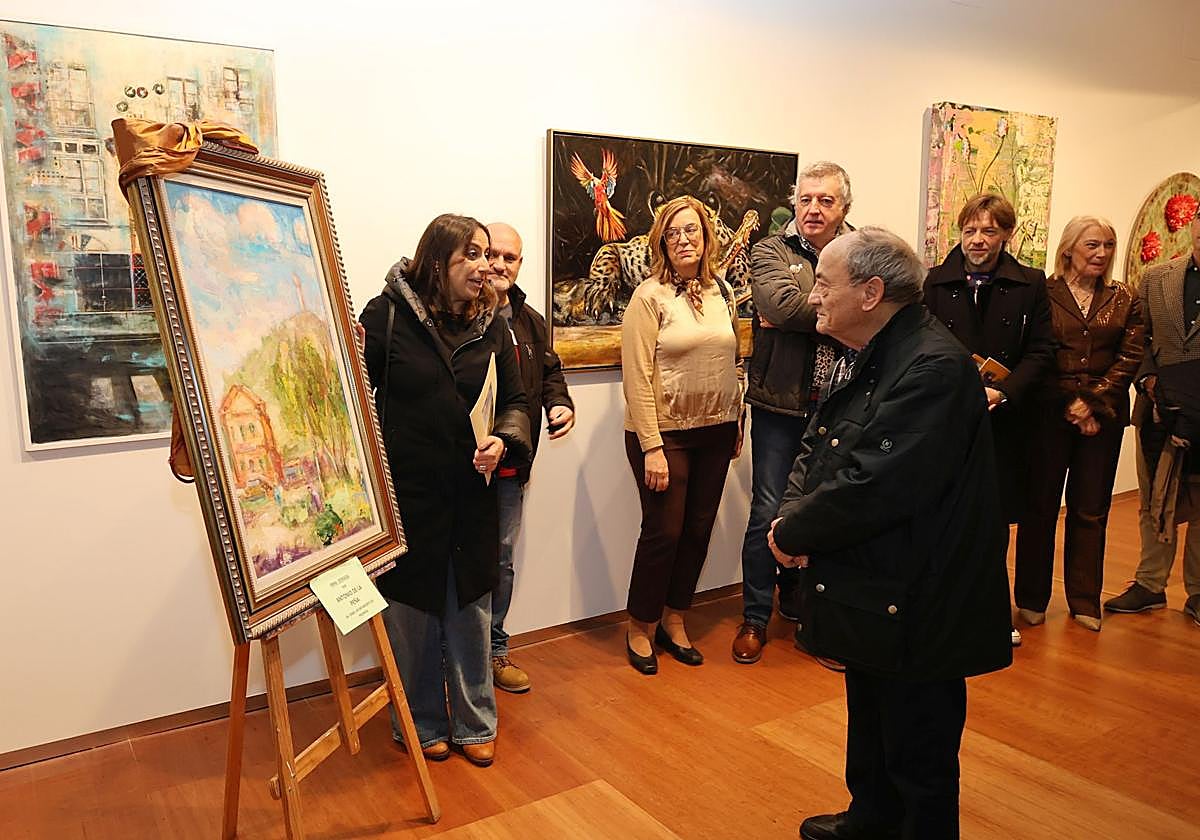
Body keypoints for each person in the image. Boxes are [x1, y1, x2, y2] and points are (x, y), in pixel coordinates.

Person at [768, 227, 1012, 840]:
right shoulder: (883, 351)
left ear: (871, 292)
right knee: (873, 715)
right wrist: (794, 516)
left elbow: (873, 482)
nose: (813, 294)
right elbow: (827, 444)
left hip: (923, 592)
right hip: (882, 583)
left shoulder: (931, 366)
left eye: (823, 282)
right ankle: (871, 818)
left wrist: (795, 531)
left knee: (918, 744)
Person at [359, 214, 531, 767]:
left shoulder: (495, 325)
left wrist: (504, 440)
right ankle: (420, 720)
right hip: (406, 497)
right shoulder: (384, 318)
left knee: (470, 612)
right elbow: (354, 400)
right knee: (410, 616)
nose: (486, 267)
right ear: (438, 261)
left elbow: (517, 403)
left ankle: (475, 722)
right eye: (473, 256)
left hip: (472, 494)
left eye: (489, 255)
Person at [733, 161, 853, 665]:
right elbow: (781, 307)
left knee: (829, 514)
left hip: (843, 408)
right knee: (768, 510)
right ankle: (756, 618)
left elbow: (874, 309)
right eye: (806, 199)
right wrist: (841, 308)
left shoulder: (862, 252)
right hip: (781, 408)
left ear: (844, 205)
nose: (813, 209)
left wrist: (808, 310)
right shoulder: (770, 250)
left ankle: (813, 614)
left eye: (825, 200)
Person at [924, 193, 1056, 647]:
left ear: (1006, 235)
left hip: (1005, 424)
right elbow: (921, 348)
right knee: (944, 519)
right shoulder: (934, 283)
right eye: (970, 231)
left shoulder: (1032, 284)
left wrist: (1004, 391)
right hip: (947, 421)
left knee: (992, 523)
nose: (978, 240)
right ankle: (941, 610)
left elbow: (1042, 352)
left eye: (989, 231)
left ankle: (991, 613)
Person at [622, 194, 744, 674]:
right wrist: (652, 446)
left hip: (715, 429)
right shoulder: (648, 297)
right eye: (672, 233)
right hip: (664, 435)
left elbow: (734, 360)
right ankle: (640, 624)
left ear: (706, 236)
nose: (683, 240)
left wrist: (736, 421)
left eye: (690, 230)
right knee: (664, 531)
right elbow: (635, 376)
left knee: (697, 530)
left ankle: (676, 619)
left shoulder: (723, 292)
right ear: (661, 242)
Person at [1014, 216, 1143, 632]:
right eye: (1092, 245)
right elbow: (1040, 351)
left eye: (1108, 245)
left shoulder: (1125, 296)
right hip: (1047, 415)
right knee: (1040, 507)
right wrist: (1070, 401)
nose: (1101, 254)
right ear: (1069, 248)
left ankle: (1085, 600)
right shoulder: (1044, 292)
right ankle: (1031, 598)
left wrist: (1091, 403)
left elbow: (1130, 356)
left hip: (1102, 419)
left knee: (1091, 510)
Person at [485, 222, 575, 693]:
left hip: (511, 467)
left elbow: (550, 371)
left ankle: (495, 653)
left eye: (511, 258)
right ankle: (449, 661)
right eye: (493, 254)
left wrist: (559, 403)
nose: (500, 265)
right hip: (461, 467)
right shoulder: (458, 314)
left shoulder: (530, 320)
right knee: (457, 562)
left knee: (500, 560)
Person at [1104, 213, 1200, 623]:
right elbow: (1136, 338)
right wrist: (1146, 381)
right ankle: (1150, 584)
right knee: (1153, 500)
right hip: (1158, 411)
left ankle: (1198, 592)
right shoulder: (1156, 277)